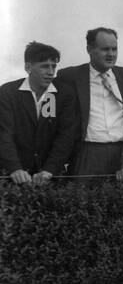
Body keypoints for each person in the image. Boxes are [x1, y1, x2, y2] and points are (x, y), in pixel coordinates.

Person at [55, 27, 123, 183]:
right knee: (82, 203)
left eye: (114, 49)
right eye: (105, 49)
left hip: (122, 153)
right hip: (86, 154)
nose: (111, 54)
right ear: (89, 50)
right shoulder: (69, 77)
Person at [0, 41, 78, 185]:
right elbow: (4, 134)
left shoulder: (64, 94)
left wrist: (49, 170)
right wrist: (15, 168)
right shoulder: (7, 92)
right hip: (11, 177)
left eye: (53, 66)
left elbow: (65, 136)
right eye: (44, 66)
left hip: (50, 178)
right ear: (28, 67)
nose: (50, 72)